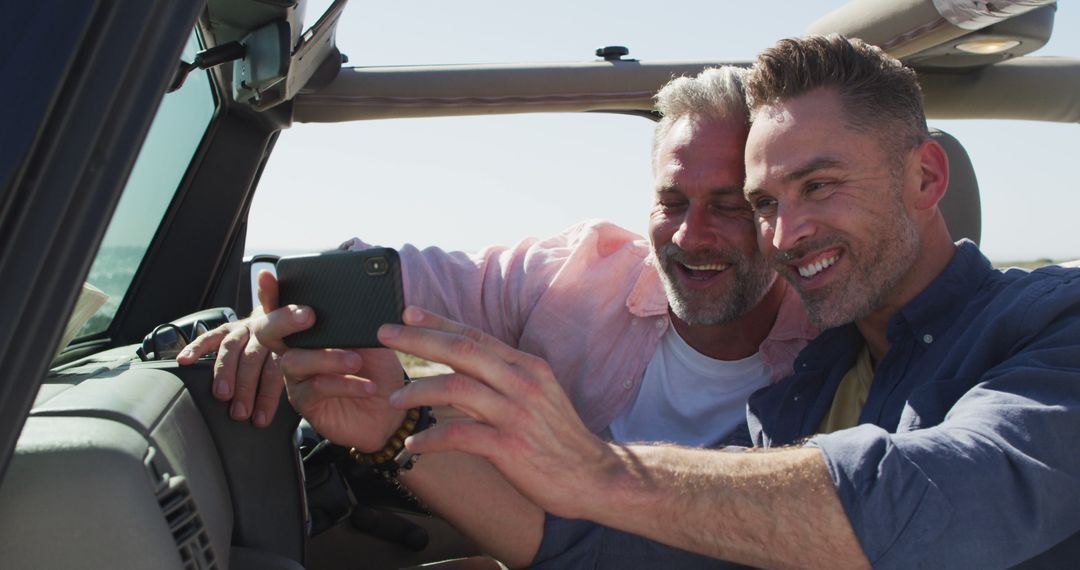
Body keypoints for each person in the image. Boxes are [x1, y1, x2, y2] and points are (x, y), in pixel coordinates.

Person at [264, 34, 1080, 568]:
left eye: (819, 186)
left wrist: (596, 469)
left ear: (926, 178)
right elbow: (637, 546)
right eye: (767, 202)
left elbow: (954, 500)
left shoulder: (1053, 322)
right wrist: (392, 426)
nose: (786, 232)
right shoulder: (814, 379)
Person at [179, 66, 814, 445]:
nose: (689, 235)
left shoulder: (839, 337)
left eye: (729, 205)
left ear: (773, 209)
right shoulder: (575, 273)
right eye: (671, 201)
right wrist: (287, 321)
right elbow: (407, 279)